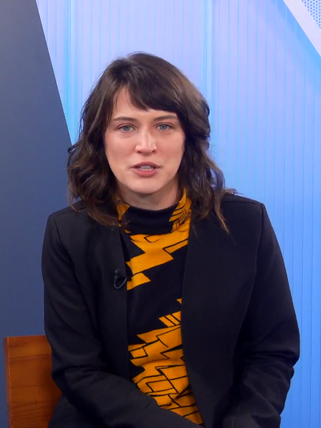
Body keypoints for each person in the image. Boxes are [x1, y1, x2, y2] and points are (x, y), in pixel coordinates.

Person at [41, 53, 299, 428]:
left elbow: (273, 351)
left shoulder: (245, 224)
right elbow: (79, 370)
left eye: (164, 126)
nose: (146, 145)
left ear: (187, 137)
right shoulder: (69, 234)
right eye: (126, 127)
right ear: (101, 139)